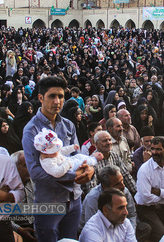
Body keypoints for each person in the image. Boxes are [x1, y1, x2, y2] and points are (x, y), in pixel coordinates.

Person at [22, 76, 95, 242]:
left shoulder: (68, 125)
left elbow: (77, 156)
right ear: (41, 98)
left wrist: (89, 169)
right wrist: (73, 176)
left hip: (74, 199)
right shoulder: (31, 130)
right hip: (49, 201)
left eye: (61, 96)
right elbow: (35, 172)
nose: (57, 101)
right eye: (52, 96)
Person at [80, 165, 151, 241]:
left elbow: (132, 215)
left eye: (122, 181)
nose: (123, 186)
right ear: (105, 187)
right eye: (117, 184)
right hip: (103, 233)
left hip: (119, 225)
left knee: (145, 228)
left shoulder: (124, 192)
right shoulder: (93, 198)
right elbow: (93, 222)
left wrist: (129, 233)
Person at [34, 128, 103, 199]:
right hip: (68, 168)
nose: (56, 152)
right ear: (44, 152)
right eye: (53, 151)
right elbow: (57, 173)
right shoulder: (47, 162)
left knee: (79, 156)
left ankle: (91, 159)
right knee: (81, 162)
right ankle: (94, 159)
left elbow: (62, 150)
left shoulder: (54, 153)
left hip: (68, 160)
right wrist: (67, 164)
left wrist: (72, 148)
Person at [135, 136, 164, 241]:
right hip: (147, 208)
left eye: (158, 149)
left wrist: (159, 191)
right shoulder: (145, 170)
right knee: (162, 235)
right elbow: (146, 197)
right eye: (153, 149)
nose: (154, 152)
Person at [83, 131, 136, 196]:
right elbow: (91, 187)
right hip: (101, 197)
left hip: (117, 194)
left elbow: (126, 175)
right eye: (105, 141)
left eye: (110, 140)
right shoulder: (92, 161)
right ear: (96, 144)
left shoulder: (115, 156)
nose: (108, 143)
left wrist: (136, 193)